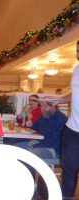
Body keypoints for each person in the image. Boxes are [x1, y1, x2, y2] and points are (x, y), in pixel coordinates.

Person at [55, 40, 79, 199]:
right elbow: (74, 94)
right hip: (72, 129)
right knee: (69, 169)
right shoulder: (76, 69)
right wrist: (57, 100)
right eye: (77, 50)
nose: (77, 54)